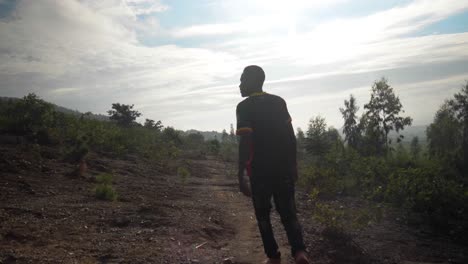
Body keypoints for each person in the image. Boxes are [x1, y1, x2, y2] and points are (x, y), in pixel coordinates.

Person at [235, 65, 310, 264]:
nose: (240, 84)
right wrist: (293, 165)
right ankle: (299, 252)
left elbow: (245, 142)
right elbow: (291, 137)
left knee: (262, 215)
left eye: (242, 80)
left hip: (259, 171)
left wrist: (241, 174)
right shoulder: (279, 102)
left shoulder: (244, 107)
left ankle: (273, 257)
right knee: (288, 212)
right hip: (283, 168)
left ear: (253, 81)